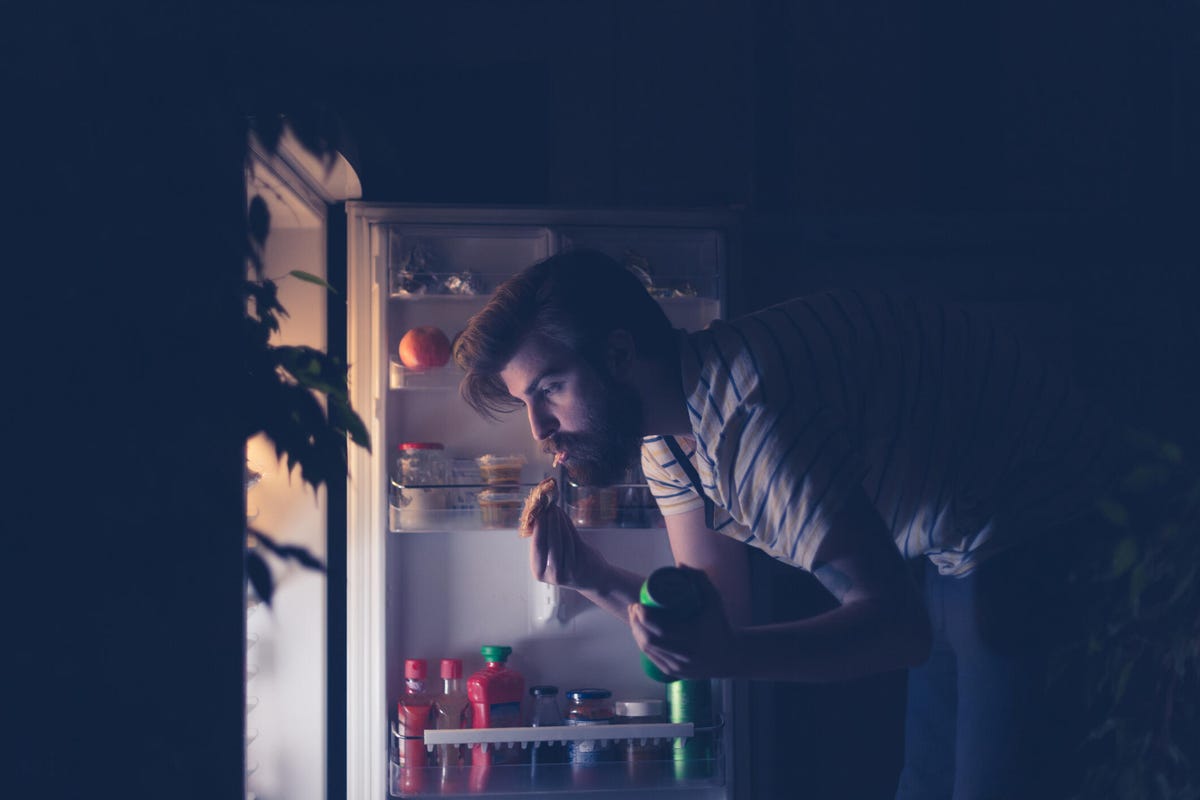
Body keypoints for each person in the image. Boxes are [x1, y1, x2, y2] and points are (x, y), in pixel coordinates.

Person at [452, 249, 1119, 800]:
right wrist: (591, 576)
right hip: (949, 542)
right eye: (525, 401)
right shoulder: (671, 435)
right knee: (924, 784)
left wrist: (729, 655)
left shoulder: (752, 419)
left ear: (620, 356)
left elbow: (894, 629)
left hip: (1036, 513)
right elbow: (720, 612)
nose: (540, 430)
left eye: (549, 390)